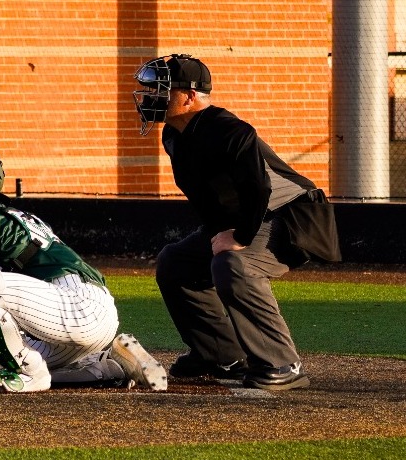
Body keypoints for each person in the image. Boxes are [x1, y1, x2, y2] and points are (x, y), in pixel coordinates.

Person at [134, 54, 339, 393]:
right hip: (251, 216)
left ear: (189, 96)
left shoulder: (227, 130)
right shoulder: (174, 135)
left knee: (234, 263)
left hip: (293, 217)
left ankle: (282, 364)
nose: (151, 96)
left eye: (161, 90)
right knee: (176, 263)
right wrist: (218, 233)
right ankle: (220, 356)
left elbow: (259, 188)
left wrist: (240, 236)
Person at [0, 146, 167, 392]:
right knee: (24, 349)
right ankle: (110, 363)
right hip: (88, 312)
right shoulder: (3, 215)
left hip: (75, 306)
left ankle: (29, 374)